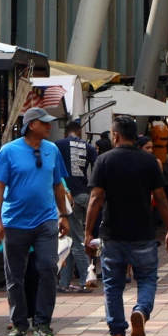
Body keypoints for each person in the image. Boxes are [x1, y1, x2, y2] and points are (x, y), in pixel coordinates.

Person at [85, 115, 168, 336]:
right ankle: (141, 311)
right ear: (136, 136)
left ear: (115, 135)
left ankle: (117, 335)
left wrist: (87, 232)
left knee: (113, 286)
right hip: (143, 233)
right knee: (146, 279)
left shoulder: (104, 160)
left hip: (112, 233)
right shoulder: (148, 161)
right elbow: (161, 198)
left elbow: (96, 198)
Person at [0, 108, 72, 336]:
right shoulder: (9, 151)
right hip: (15, 222)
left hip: (46, 220)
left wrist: (63, 215)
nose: (49, 126)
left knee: (47, 268)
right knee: (15, 275)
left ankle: (43, 323)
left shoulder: (52, 150)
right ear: (31, 125)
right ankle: (19, 324)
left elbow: (58, 185)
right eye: (44, 123)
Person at [58, 117, 96, 292]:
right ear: (79, 132)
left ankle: (85, 280)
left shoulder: (59, 145)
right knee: (70, 239)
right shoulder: (89, 147)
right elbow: (96, 169)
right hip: (84, 194)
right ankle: (64, 283)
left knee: (77, 240)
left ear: (66, 132)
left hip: (68, 197)